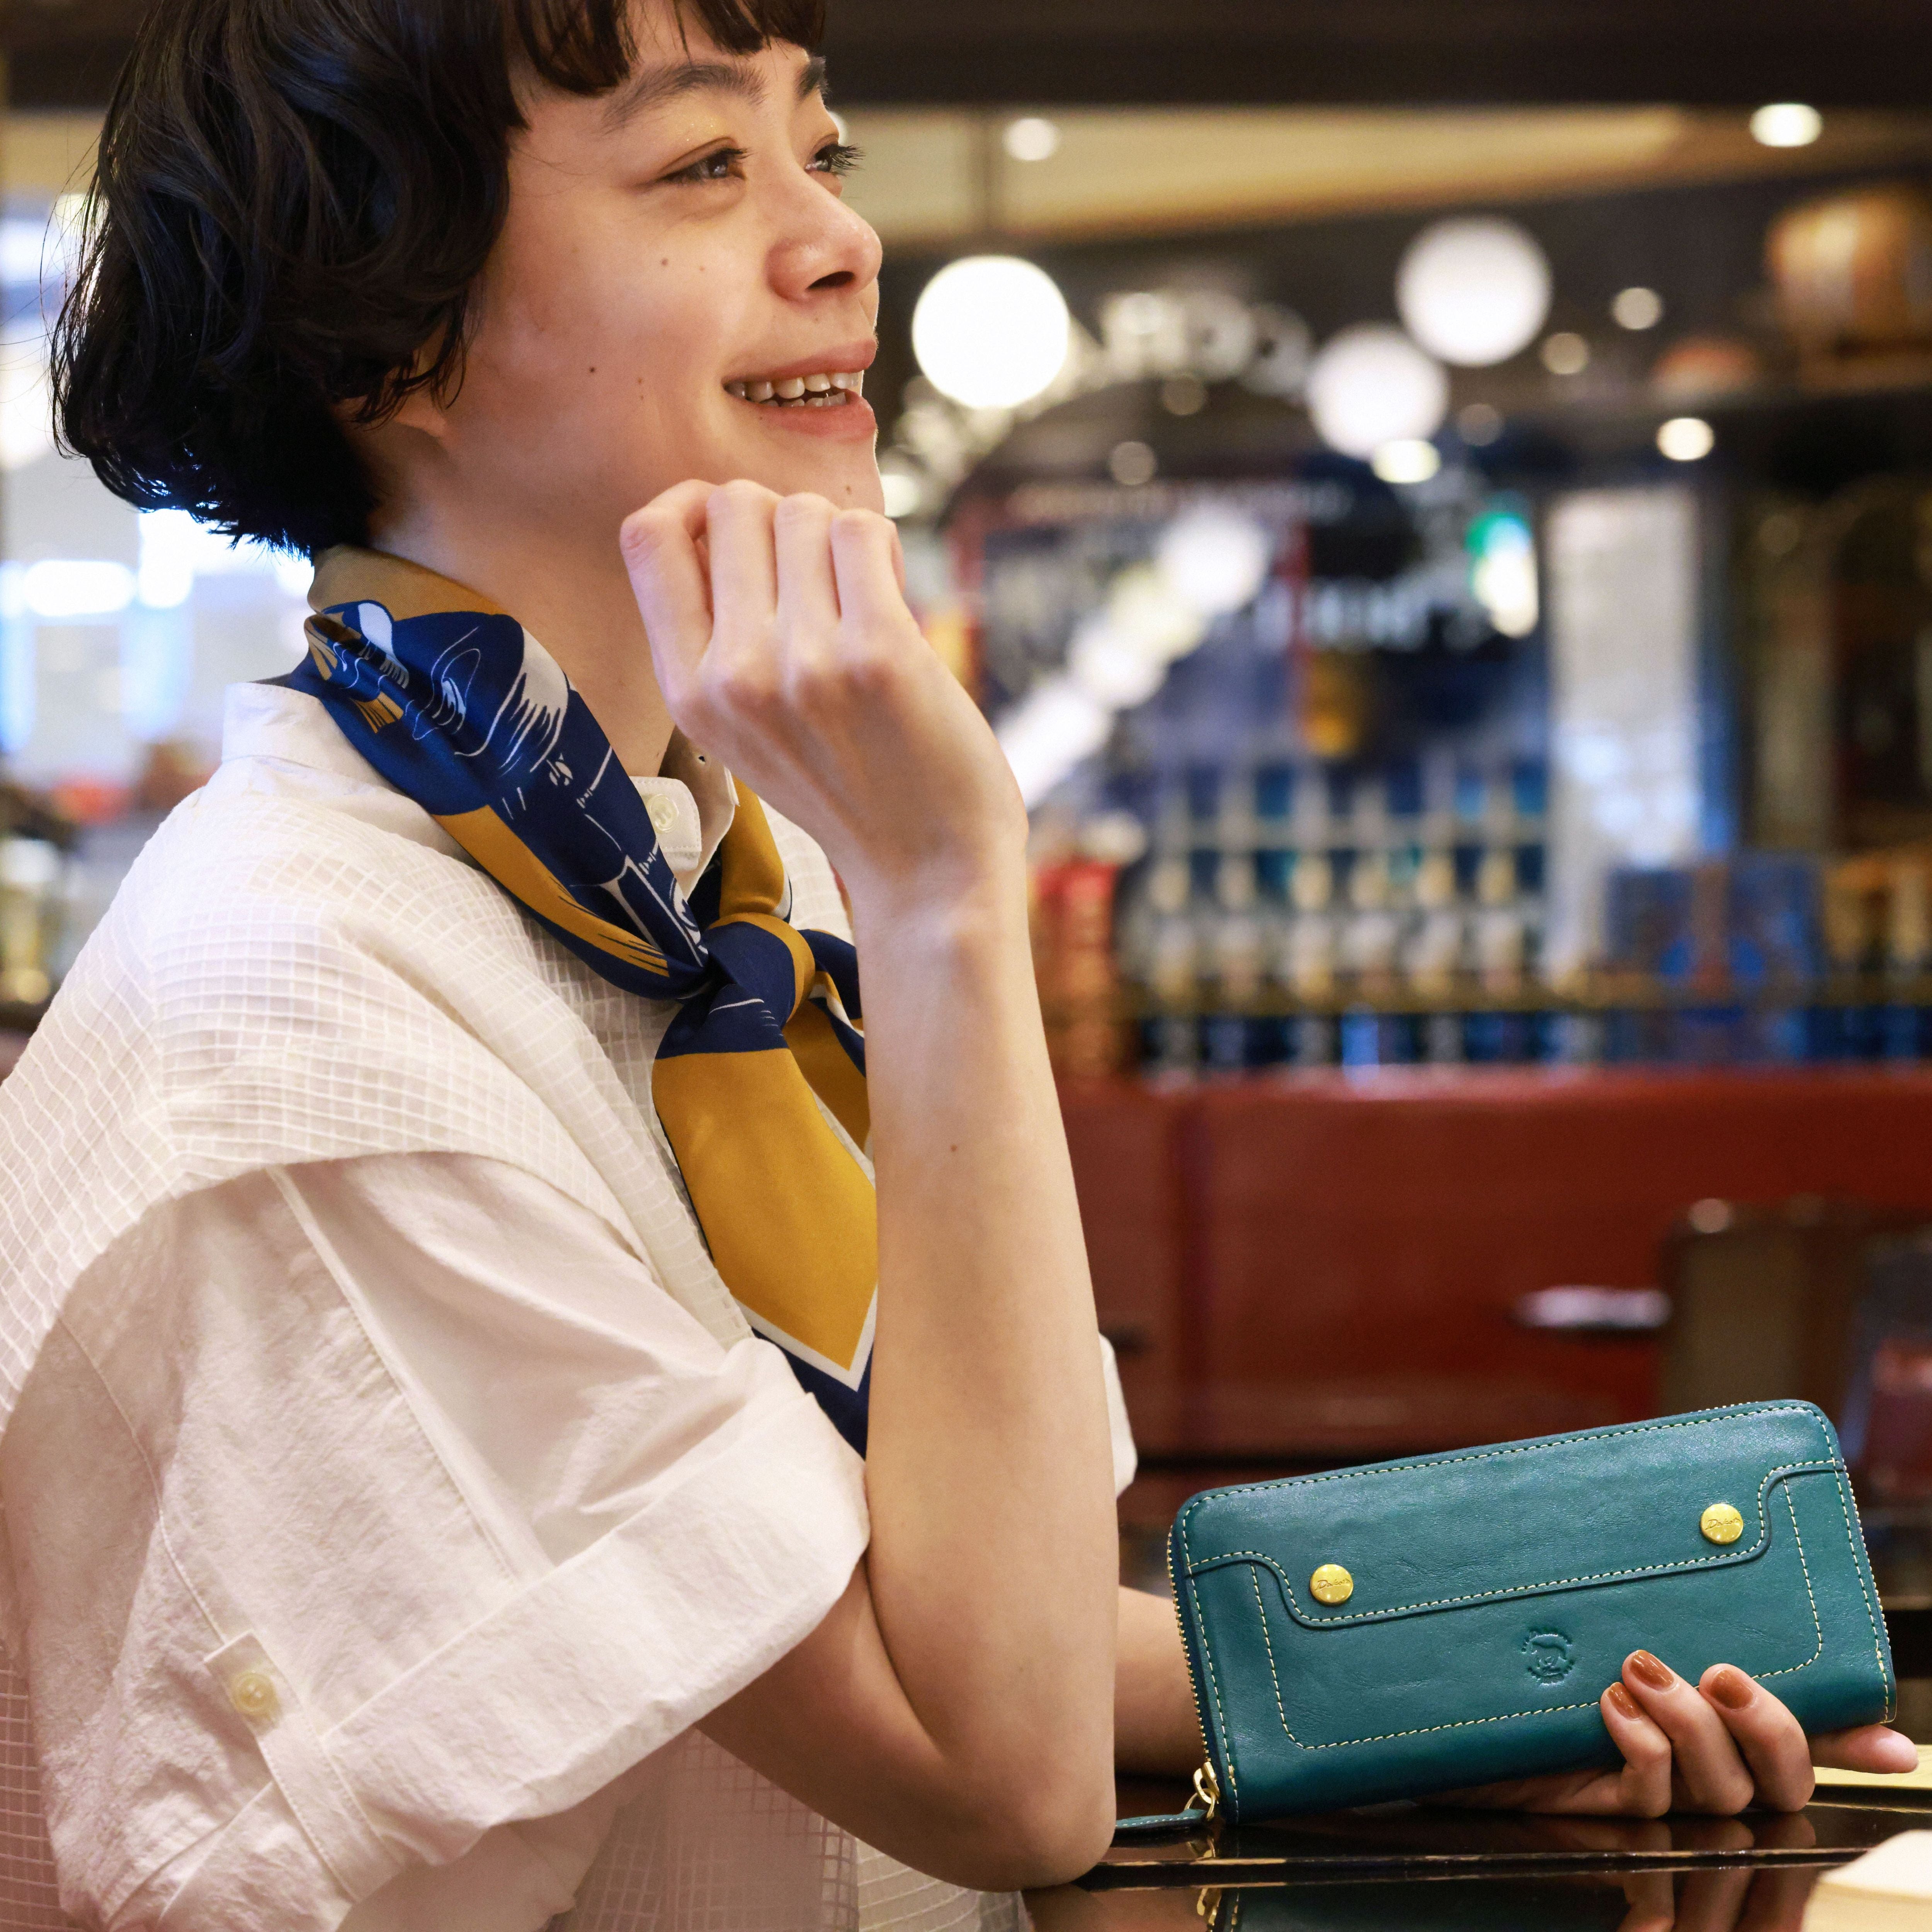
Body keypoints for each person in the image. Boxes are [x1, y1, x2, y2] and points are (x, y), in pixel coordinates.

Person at [0, 0, 1915, 1926]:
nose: (841, 237)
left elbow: (952, 1611)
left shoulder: (715, 882)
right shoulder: (304, 1015)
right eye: (701, 164)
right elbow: (993, 1772)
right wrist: (944, 891)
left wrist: (1478, 1702)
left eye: (817, 148)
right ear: (384, 329)